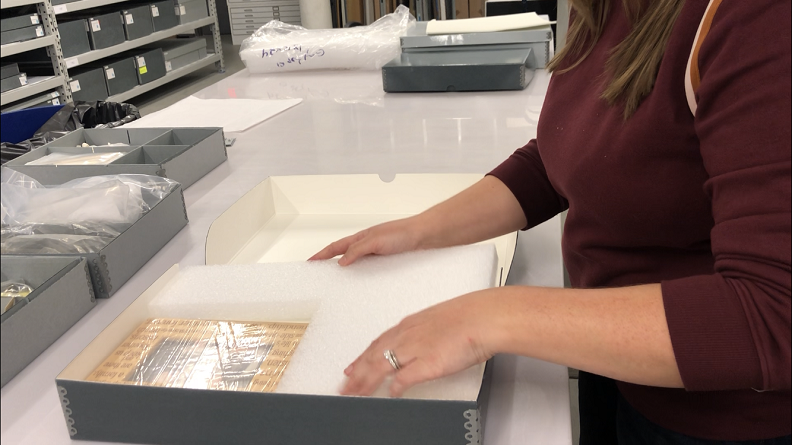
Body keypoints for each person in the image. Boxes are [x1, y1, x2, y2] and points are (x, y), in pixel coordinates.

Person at [310, 0, 791, 443]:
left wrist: (491, 316)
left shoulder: (759, 19)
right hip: (614, 357)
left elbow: (771, 313)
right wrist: (420, 229)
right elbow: (568, 159)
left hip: (717, 415)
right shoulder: (604, 9)